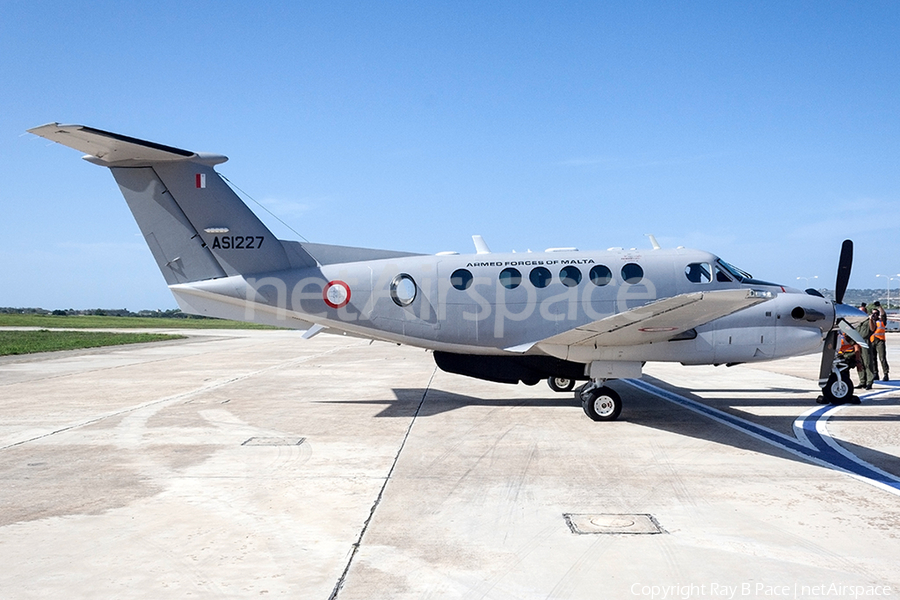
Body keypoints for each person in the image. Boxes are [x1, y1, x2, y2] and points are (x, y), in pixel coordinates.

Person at [855, 304, 876, 390]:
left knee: (867, 362)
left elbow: (872, 329)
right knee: (859, 363)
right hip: (857, 343)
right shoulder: (857, 322)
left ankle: (869, 382)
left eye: (862, 311)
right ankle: (862, 381)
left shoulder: (868, 321)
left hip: (865, 342)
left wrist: (871, 319)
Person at [870, 303, 889, 381]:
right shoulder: (870, 321)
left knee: (882, 358)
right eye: (873, 313)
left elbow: (884, 314)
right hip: (872, 340)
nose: (874, 315)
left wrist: (879, 307)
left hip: (880, 341)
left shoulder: (882, 321)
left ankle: (886, 374)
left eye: (876, 313)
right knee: (873, 358)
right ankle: (875, 373)